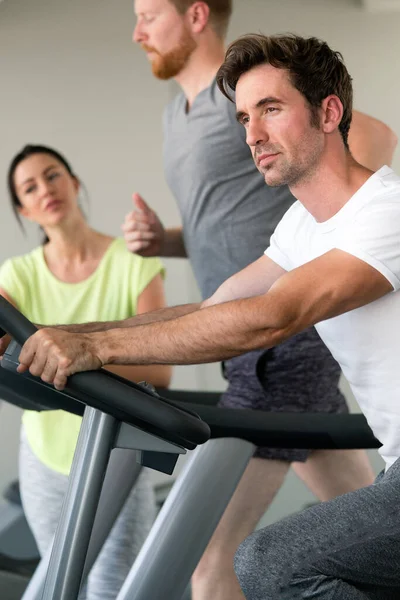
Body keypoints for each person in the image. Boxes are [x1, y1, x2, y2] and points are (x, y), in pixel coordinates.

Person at [10, 30, 400, 598]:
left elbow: (269, 319)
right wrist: (62, 335)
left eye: (271, 109)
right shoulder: (301, 227)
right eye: (243, 118)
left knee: (270, 563)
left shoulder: (384, 212)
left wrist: (96, 350)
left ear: (328, 113)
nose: (254, 135)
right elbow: (215, 307)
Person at [122, 2, 396, 598]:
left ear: (196, 15)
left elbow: (369, 140)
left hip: (280, 335)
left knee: (232, 557)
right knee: (353, 505)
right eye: (246, 116)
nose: (137, 29)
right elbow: (216, 267)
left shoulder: (373, 208)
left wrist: (346, 241)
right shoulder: (186, 117)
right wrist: (77, 333)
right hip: (244, 321)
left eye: (148, 12)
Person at [0, 145, 171, 600]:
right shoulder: (16, 275)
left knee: (115, 590)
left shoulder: (133, 263)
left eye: (53, 176)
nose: (46, 190)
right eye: (30, 187)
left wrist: (83, 356)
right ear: (23, 209)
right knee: (58, 586)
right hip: (44, 454)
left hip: (116, 455)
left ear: (74, 183)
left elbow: (161, 370)